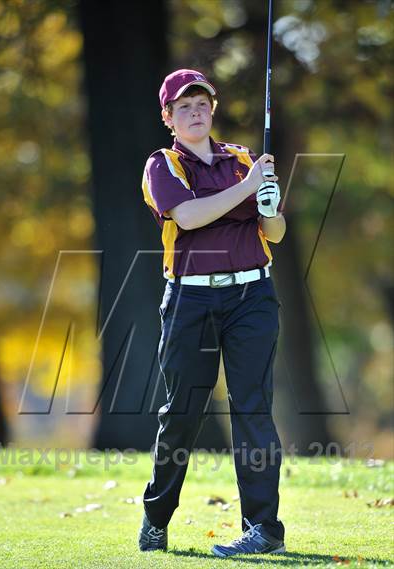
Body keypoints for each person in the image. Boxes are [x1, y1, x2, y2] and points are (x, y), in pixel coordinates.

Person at [139, 68, 286, 558]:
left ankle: (263, 529)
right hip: (190, 300)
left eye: (202, 104)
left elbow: (276, 233)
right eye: (184, 107)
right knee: (181, 414)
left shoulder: (242, 159)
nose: (195, 112)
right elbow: (190, 216)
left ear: (212, 109)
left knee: (253, 410)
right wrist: (248, 188)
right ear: (169, 118)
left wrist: (269, 201)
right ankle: (157, 517)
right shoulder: (163, 165)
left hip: (252, 297)